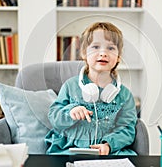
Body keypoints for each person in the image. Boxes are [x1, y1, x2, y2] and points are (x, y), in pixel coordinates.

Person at [45, 22, 137, 155]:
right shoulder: (71, 86)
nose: (103, 53)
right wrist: (70, 112)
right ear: (84, 53)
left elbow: (127, 129)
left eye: (110, 48)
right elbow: (54, 117)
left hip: (107, 151)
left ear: (118, 57)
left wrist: (109, 145)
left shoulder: (124, 95)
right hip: (70, 148)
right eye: (96, 47)